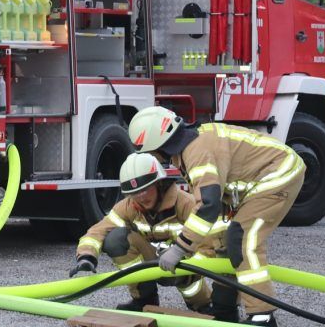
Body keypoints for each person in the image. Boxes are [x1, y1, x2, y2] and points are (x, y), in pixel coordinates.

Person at [128, 106, 305, 326]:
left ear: (157, 145)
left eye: (149, 152)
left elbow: (207, 206)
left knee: (242, 240)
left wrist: (180, 248)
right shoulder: (193, 146)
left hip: (278, 173)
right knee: (225, 243)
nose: (152, 158)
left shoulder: (197, 151)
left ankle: (263, 315)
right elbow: (213, 203)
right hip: (262, 177)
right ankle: (225, 310)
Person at [69, 152, 214, 314]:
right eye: (135, 193)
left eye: (146, 190)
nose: (141, 197)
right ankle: (144, 299)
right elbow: (97, 231)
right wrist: (86, 256)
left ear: (159, 184)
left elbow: (209, 242)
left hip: (182, 264)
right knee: (115, 240)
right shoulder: (129, 206)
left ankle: (201, 304)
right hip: (153, 261)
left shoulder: (186, 204)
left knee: (198, 298)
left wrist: (181, 254)